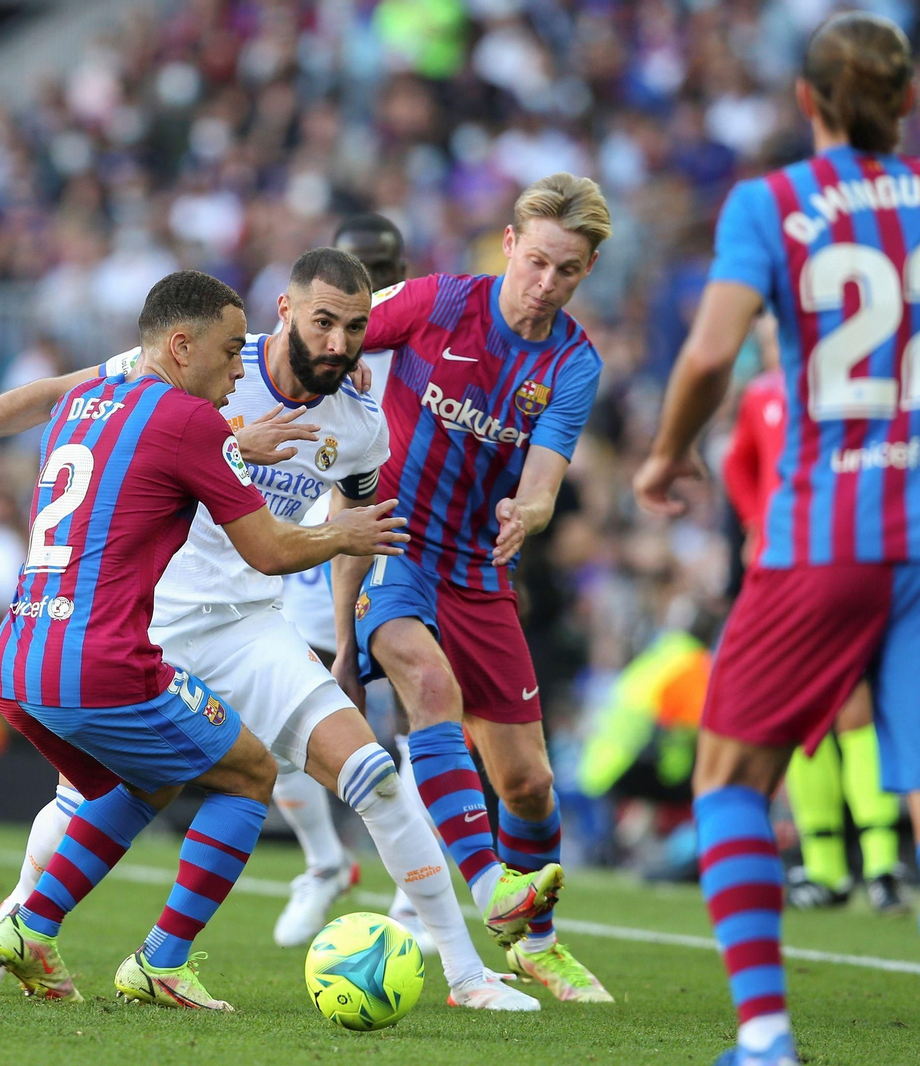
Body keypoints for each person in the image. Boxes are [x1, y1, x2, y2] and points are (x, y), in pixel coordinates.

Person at [0, 252, 542, 1011]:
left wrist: (344, 639)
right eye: (325, 322)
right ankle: (24, 909)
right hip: (149, 623)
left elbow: (361, 529)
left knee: (372, 775)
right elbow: (55, 396)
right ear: (285, 311)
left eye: (356, 327)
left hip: (249, 626)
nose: (342, 342)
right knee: (99, 799)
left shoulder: (360, 424)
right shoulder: (210, 360)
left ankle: (467, 975)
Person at [633, 14, 920, 1066]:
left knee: (724, 778)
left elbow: (710, 352)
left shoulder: (773, 201)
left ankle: (764, 1039)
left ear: (806, 103)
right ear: (913, 98)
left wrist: (665, 452)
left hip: (817, 531)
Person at [336, 173, 613, 1003]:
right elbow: (337, 338)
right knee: (429, 684)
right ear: (508, 245)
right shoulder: (438, 302)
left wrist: (527, 511)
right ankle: (488, 883)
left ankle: (536, 943)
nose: (545, 284)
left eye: (566, 270)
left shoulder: (572, 361)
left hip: (480, 569)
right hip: (394, 537)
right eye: (536, 262)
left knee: (528, 782)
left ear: (586, 270)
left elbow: (547, 476)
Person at [272, 214, 440, 950]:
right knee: (286, 716)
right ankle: (325, 863)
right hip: (319, 536)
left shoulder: (425, 336)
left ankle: (413, 901)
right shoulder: (329, 348)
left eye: (376, 266)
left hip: (403, 531)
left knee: (413, 710)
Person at [722, 320, 905, 915]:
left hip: (835, 562)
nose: (777, 340)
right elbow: (738, 467)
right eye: (770, 332)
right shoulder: (762, 397)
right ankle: (829, 866)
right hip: (781, 569)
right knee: (804, 716)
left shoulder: (843, 395)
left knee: (850, 707)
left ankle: (880, 862)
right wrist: (754, 523)